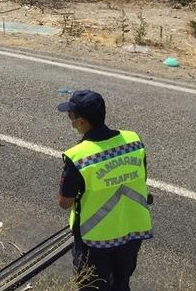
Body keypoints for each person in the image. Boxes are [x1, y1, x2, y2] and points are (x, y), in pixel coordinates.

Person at [56, 90, 152, 291]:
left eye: (70, 117)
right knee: (121, 283)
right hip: (132, 230)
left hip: (95, 239)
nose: (70, 121)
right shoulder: (133, 140)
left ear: (81, 122)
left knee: (91, 286)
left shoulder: (79, 157)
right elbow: (141, 178)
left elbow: (65, 202)